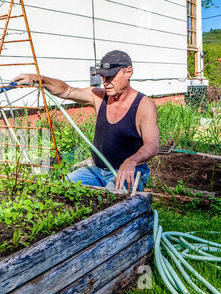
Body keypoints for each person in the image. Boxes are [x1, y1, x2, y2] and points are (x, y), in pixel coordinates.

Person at [12, 50, 159, 192]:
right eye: (103, 77)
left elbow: (152, 145)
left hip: (129, 171)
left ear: (128, 72)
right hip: (97, 171)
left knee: (112, 201)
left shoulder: (143, 105)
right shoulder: (99, 97)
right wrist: (39, 79)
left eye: (111, 77)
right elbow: (66, 91)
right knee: (63, 188)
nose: (105, 82)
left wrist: (131, 162)